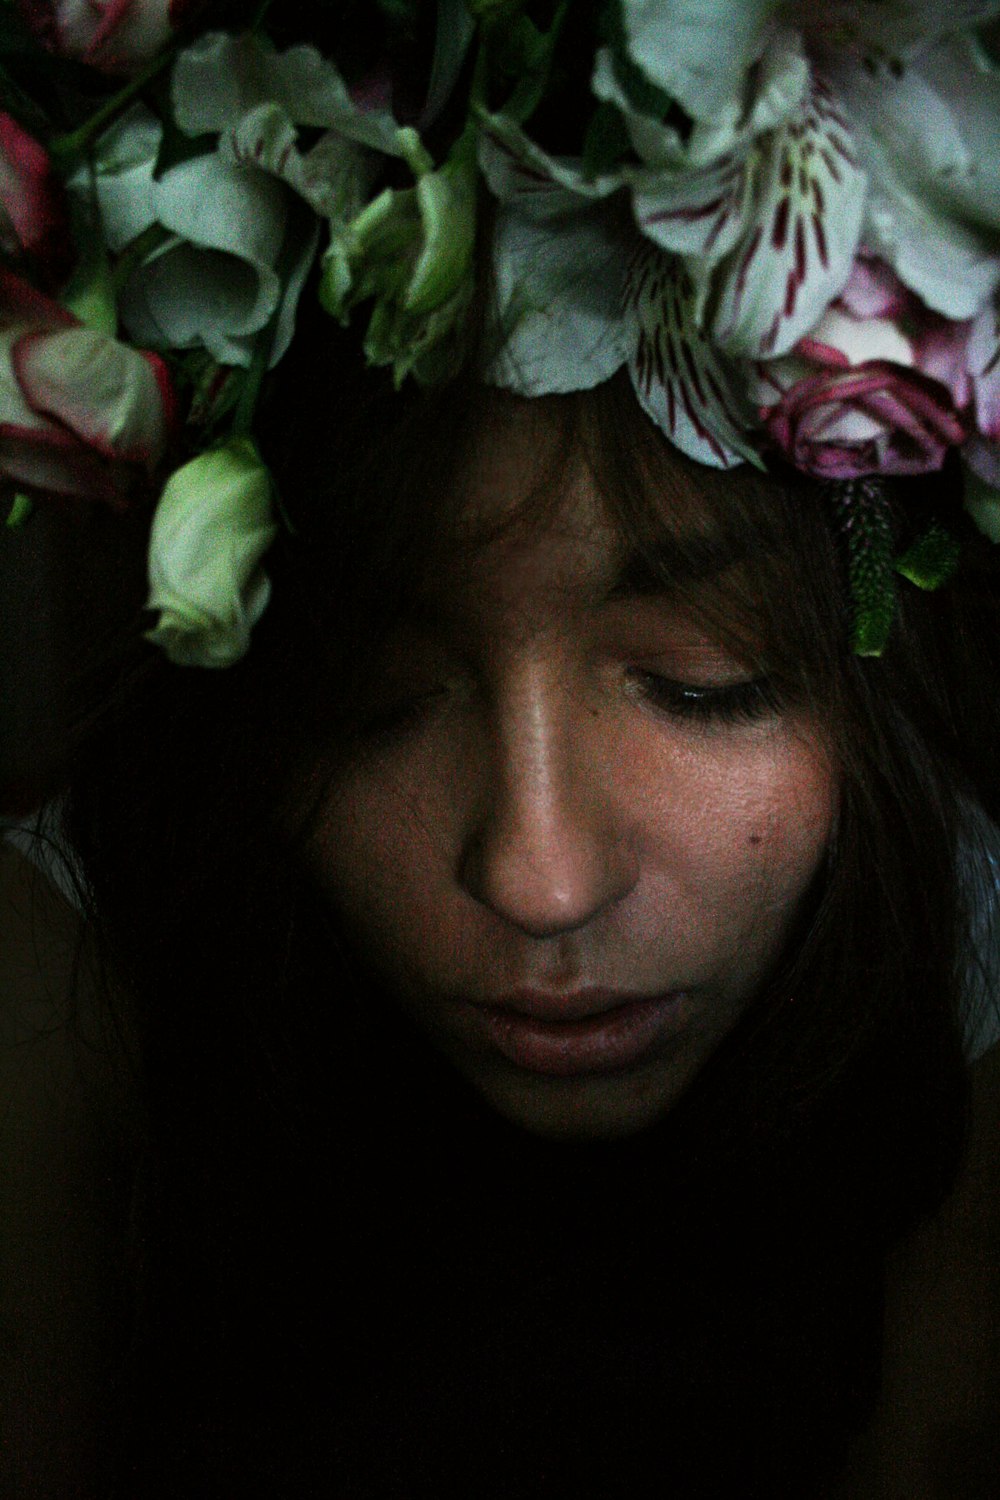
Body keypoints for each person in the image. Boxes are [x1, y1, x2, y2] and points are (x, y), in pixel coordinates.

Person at [1, 3, 999, 1495]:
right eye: (368, 696)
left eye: (704, 682)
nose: (539, 880)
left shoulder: (966, 967)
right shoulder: (67, 959)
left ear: (870, 641)